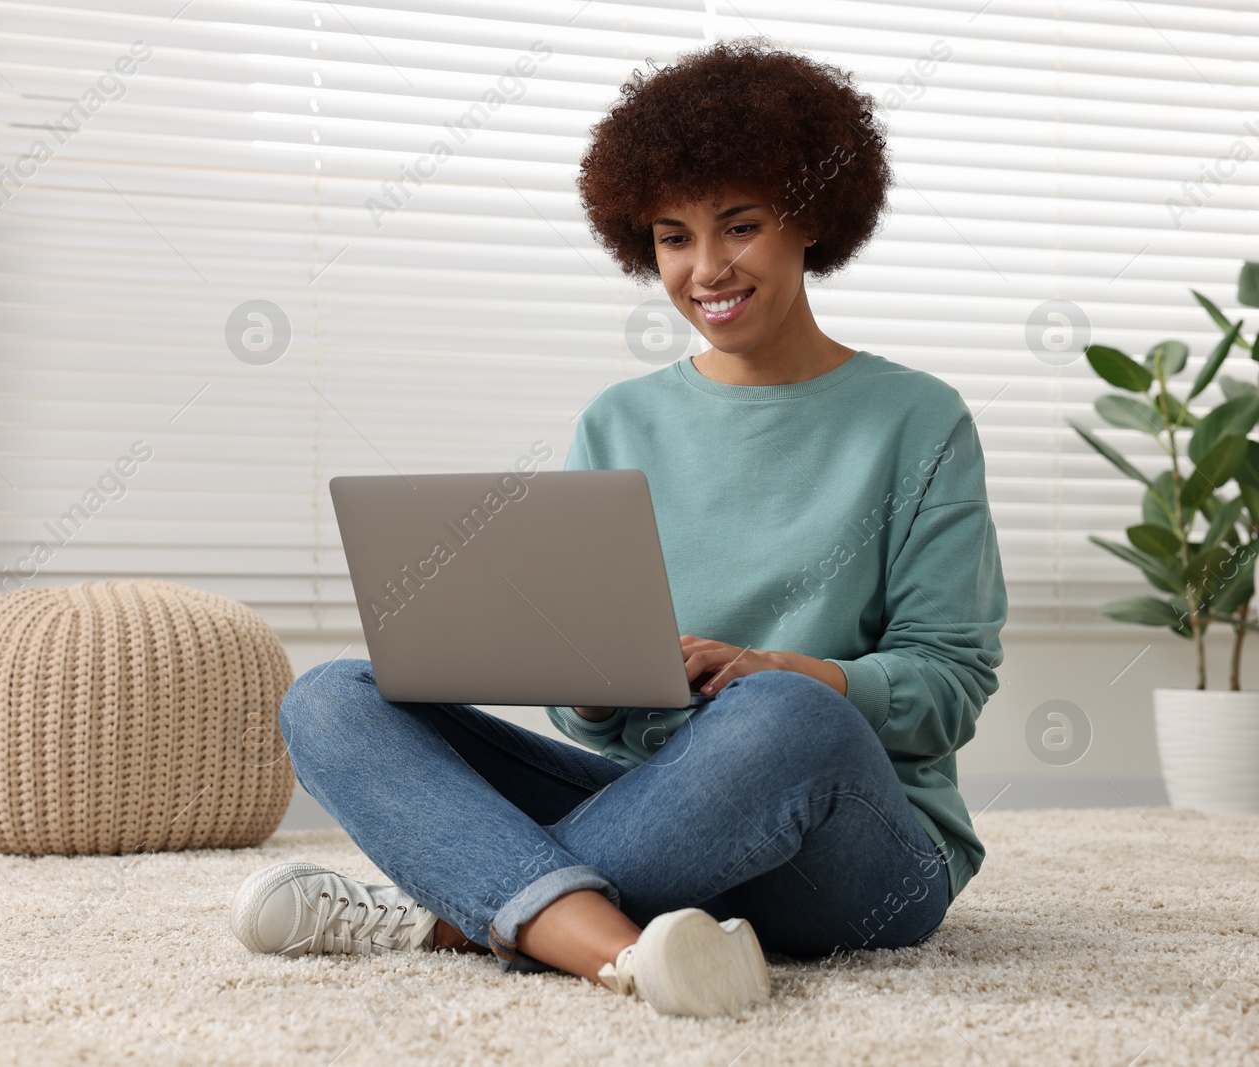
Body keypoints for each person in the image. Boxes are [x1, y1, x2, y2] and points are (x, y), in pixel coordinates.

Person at [229, 36, 1007, 1019]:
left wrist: (800, 673)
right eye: (673, 237)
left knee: (779, 718)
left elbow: (950, 685)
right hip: (665, 815)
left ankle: (455, 914)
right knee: (330, 697)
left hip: (850, 849)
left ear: (809, 217)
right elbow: (590, 716)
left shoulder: (917, 420)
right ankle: (625, 950)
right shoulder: (620, 420)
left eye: (739, 226)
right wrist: (590, 688)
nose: (706, 268)